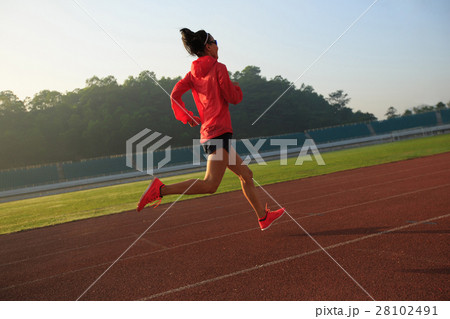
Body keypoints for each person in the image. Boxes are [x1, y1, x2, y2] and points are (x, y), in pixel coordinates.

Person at [137, 28, 285, 231]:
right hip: (217, 134)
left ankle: (263, 217)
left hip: (212, 133)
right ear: (208, 46)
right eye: (216, 42)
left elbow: (174, 95)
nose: (218, 45)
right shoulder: (219, 68)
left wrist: (186, 115)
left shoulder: (191, 75)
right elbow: (232, 97)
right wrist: (237, 88)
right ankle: (160, 190)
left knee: (246, 175)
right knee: (210, 184)